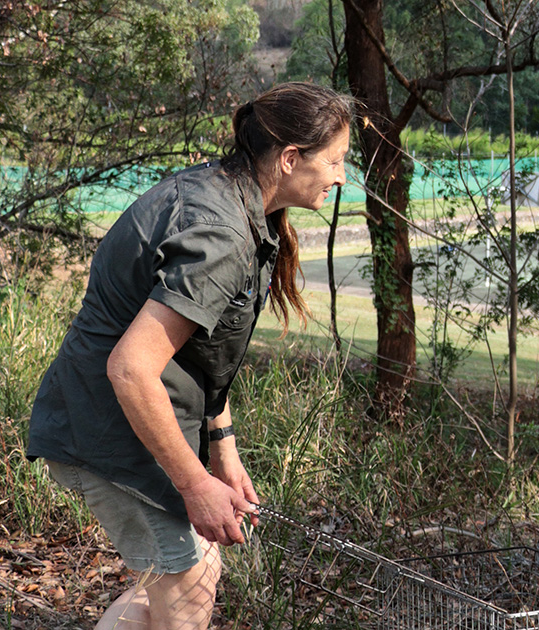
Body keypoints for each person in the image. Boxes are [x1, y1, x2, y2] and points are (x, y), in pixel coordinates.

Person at [26, 82, 354, 630]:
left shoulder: (229, 195)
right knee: (189, 589)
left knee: (182, 577)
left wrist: (223, 450)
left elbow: (203, 354)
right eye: (336, 160)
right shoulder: (221, 232)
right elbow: (131, 368)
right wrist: (195, 485)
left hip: (118, 420)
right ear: (290, 158)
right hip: (107, 429)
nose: (342, 176)